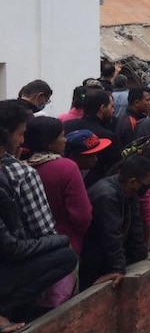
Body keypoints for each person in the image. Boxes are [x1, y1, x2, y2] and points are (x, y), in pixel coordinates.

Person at [0, 101, 76, 330]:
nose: (22, 140)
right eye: (20, 134)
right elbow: (16, 245)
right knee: (66, 256)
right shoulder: (22, 173)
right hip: (10, 257)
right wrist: (61, 240)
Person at [22, 117, 92, 307]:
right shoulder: (65, 167)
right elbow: (82, 214)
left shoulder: (22, 167)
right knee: (62, 302)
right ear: (49, 142)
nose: (66, 140)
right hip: (65, 244)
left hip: (30, 248)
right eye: (61, 136)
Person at [79, 155, 150, 290]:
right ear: (133, 182)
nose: (148, 187)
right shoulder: (106, 196)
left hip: (110, 253)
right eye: (147, 182)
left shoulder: (130, 193)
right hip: (94, 256)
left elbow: (136, 226)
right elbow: (111, 234)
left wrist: (141, 258)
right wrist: (118, 268)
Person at [63, 90, 120, 187]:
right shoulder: (108, 137)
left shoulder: (66, 126)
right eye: (111, 106)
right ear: (102, 108)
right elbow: (114, 168)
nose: (113, 111)